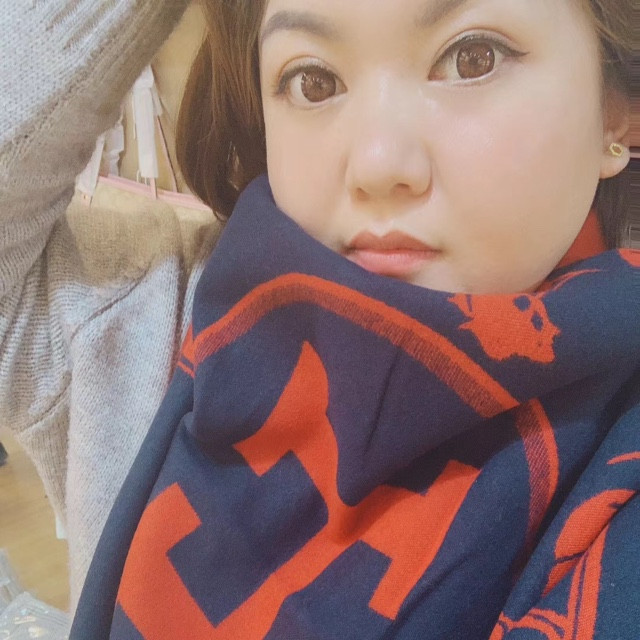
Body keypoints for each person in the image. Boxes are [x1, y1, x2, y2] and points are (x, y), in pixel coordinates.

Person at [0, 0, 637, 638]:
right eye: (314, 82)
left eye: (473, 58)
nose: (377, 164)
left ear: (617, 109)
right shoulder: (147, 312)